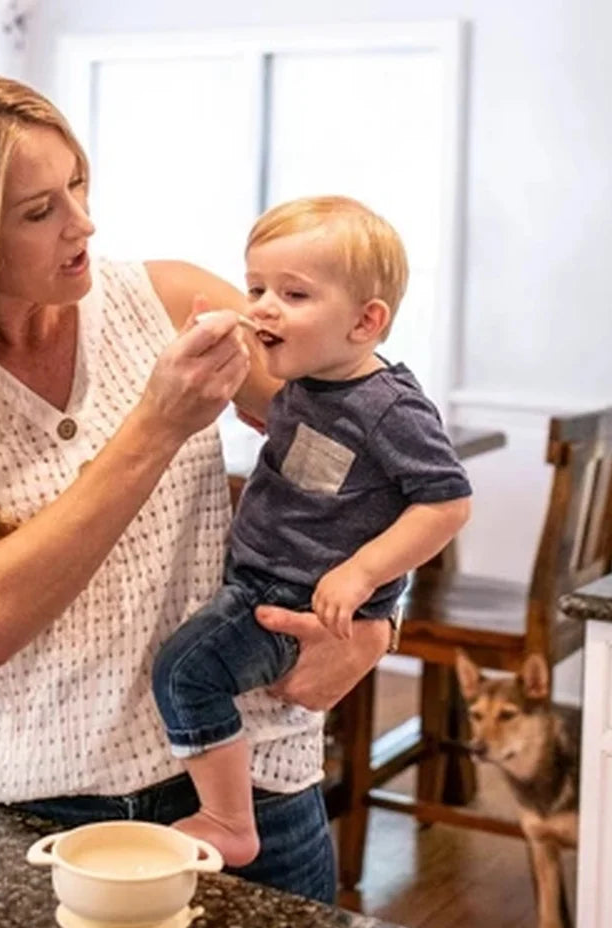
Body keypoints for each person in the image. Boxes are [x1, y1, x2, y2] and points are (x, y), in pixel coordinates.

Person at [0, 71, 389, 905]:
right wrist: (156, 425)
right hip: (47, 808)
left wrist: (371, 621)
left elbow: (376, 452)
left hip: (253, 786)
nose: (84, 222)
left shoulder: (173, 303)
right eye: (40, 211)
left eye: (77, 185)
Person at [152, 196, 472, 867]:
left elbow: (447, 503)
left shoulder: (389, 408)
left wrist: (363, 575)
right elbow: (319, 456)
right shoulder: (306, 382)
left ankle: (229, 820)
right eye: (257, 288)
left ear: (366, 321)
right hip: (265, 576)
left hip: (295, 594)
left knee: (186, 675)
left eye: (293, 294)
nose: (264, 307)